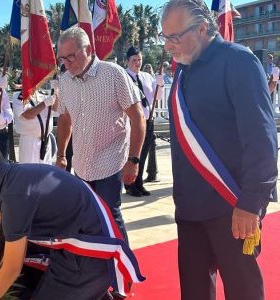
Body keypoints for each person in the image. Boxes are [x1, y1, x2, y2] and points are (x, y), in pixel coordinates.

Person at [160, 0, 278, 299]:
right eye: (165, 38)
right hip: (189, 209)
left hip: (232, 207)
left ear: (202, 28)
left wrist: (251, 203)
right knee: (195, 292)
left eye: (174, 37)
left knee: (243, 291)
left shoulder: (237, 61)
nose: (168, 46)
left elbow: (261, 138)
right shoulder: (182, 72)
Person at [0, 129, 144, 300]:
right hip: (74, 250)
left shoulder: (13, 194)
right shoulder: (15, 177)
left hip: (89, 255)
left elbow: (12, 268)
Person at [55, 27, 145, 244]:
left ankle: (123, 269)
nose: (67, 63)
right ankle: (96, 269)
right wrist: (61, 154)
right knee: (86, 220)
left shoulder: (113, 74)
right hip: (82, 165)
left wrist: (133, 160)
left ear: (87, 49)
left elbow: (137, 117)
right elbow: (65, 119)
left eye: (71, 56)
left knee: (109, 217)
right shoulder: (65, 81)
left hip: (111, 162)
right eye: (62, 58)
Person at [124, 46, 164, 197]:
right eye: (134, 60)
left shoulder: (146, 77)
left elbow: (157, 97)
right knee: (133, 154)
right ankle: (129, 185)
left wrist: (159, 84)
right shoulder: (124, 77)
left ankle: (139, 182)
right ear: (127, 61)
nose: (137, 63)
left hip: (148, 120)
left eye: (139, 59)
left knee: (144, 153)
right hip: (132, 122)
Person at [12, 88, 57, 164]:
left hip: (45, 140)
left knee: (45, 172)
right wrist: (44, 103)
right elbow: (28, 115)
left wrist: (56, 93)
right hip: (30, 141)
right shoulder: (19, 96)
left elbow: (55, 109)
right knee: (29, 172)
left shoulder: (43, 94)